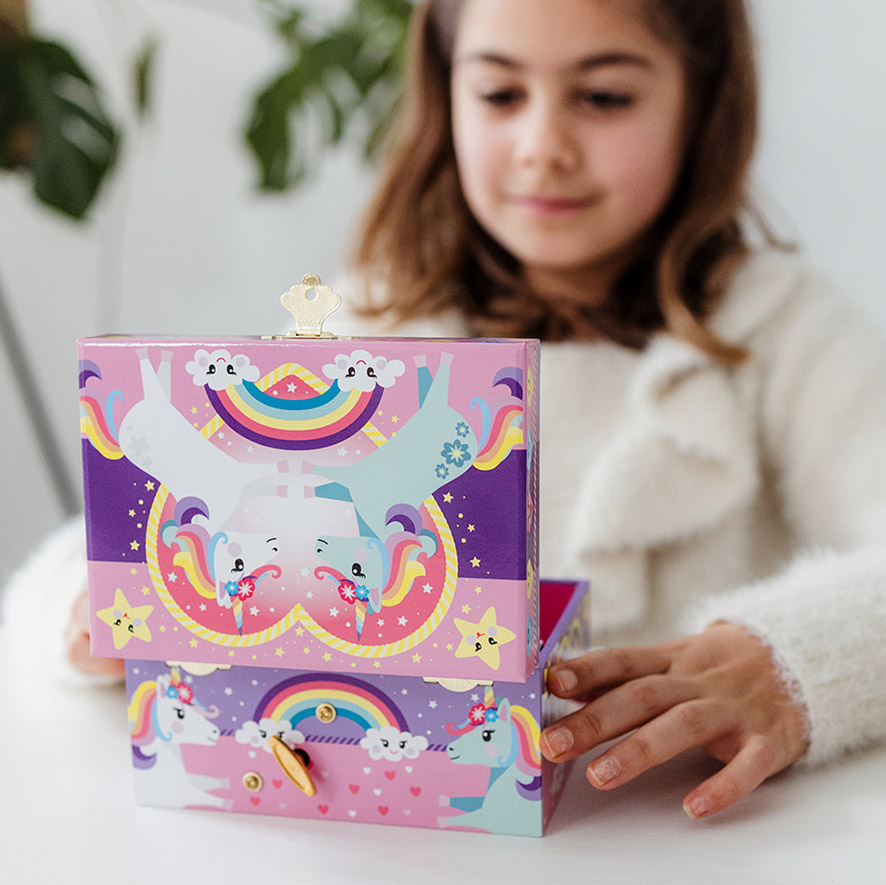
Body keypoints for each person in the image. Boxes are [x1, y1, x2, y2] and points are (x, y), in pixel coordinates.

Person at [4, 0, 885, 820]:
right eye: (500, 93)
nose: (542, 146)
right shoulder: (368, 336)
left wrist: (790, 658)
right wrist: (90, 607)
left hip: (691, 836)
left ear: (702, 102)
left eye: (604, 97)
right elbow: (77, 565)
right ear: (445, 94)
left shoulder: (781, 330)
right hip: (403, 835)